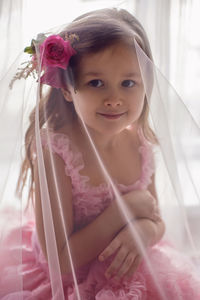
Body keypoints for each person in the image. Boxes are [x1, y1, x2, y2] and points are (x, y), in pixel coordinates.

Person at [0, 7, 200, 300]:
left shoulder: (140, 143)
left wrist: (145, 230)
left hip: (133, 272)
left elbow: (156, 218)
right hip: (72, 282)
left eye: (128, 83)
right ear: (68, 89)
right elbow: (57, 259)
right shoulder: (55, 152)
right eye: (96, 83)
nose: (114, 99)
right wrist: (124, 210)